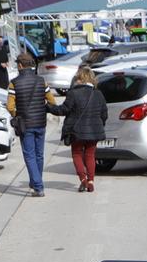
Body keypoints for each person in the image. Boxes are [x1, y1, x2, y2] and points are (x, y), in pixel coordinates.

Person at [56, 64, 109, 192]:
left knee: (76, 154)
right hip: (94, 132)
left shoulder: (73, 93)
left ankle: (83, 179)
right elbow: (104, 114)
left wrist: (49, 107)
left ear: (80, 78)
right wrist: (99, 125)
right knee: (90, 155)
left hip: (77, 132)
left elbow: (63, 110)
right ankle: (91, 182)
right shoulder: (98, 94)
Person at [9, 52, 53, 196]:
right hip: (41, 122)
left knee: (29, 155)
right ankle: (36, 180)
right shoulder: (42, 81)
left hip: (25, 124)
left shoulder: (13, 83)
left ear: (20, 65)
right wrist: (41, 109)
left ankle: (38, 186)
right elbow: (52, 101)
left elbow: (10, 107)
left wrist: (16, 115)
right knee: (39, 154)